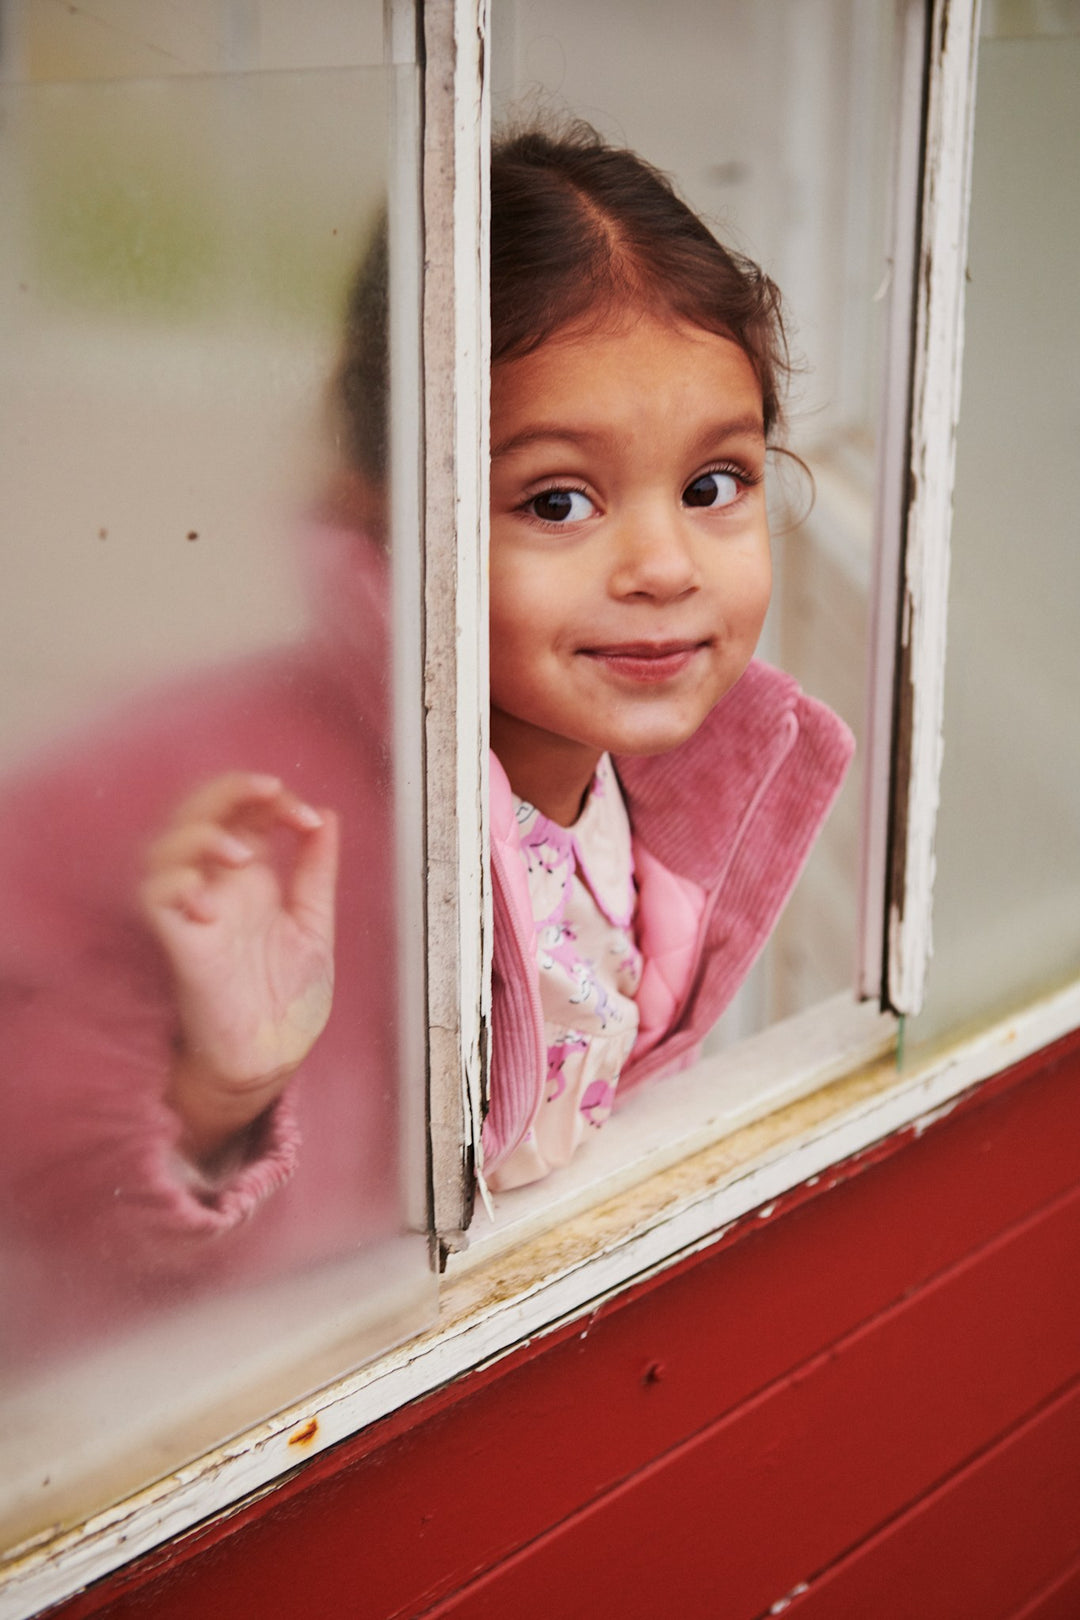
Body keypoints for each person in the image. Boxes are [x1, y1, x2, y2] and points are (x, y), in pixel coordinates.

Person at [0, 124, 851, 1357]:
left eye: (714, 483)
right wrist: (216, 1088)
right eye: (559, 500)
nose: (666, 567)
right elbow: (40, 1176)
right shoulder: (271, 810)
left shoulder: (659, 782)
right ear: (396, 508)